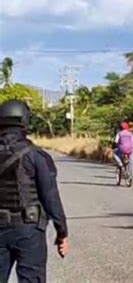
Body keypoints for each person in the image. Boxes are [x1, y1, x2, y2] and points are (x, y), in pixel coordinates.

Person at [0, 100, 69, 282]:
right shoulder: (36, 155)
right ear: (25, 122)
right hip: (28, 229)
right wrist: (62, 231)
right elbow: (50, 197)